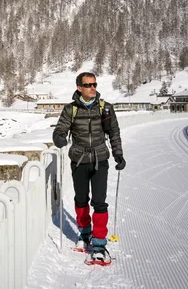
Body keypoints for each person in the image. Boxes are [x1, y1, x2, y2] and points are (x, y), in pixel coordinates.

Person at [52, 72, 125, 264]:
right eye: (88, 85)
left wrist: (118, 154)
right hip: (79, 160)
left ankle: (99, 243)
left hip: (100, 159)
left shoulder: (105, 108)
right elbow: (60, 130)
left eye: (94, 84)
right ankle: (85, 233)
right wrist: (59, 138)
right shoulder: (71, 110)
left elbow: (114, 133)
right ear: (79, 88)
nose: (93, 87)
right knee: (81, 199)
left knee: (99, 202)